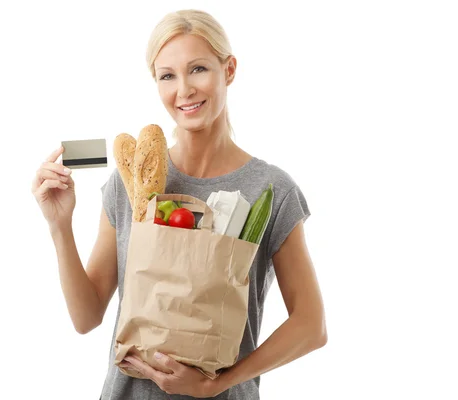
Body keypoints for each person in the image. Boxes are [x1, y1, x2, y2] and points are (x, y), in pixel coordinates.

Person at [32, 9, 327, 400]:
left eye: (199, 69)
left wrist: (216, 383)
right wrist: (60, 226)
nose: (183, 90)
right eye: (167, 76)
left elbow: (311, 326)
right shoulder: (129, 183)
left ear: (230, 70)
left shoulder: (270, 189)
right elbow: (86, 318)